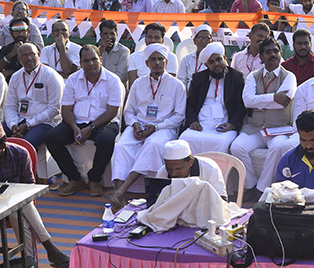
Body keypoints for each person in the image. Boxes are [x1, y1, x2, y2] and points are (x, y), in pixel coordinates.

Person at [0, 121, 70, 268]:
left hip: (16, 205)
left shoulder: (20, 154)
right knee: (21, 210)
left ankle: (30, 265)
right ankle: (49, 249)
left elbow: (28, 189)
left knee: (18, 213)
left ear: (3, 145)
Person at [110, 44, 187, 209]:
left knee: (153, 145)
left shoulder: (177, 85)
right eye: (153, 59)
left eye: (160, 59)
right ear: (147, 63)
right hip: (139, 126)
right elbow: (128, 111)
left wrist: (156, 127)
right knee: (121, 146)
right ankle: (119, 194)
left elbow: (179, 116)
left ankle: (121, 191)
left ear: (166, 62)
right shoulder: (138, 83)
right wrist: (135, 124)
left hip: (164, 128)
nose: (157, 63)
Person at [45, 45, 125, 197]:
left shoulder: (113, 80)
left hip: (103, 122)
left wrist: (92, 128)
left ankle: (94, 178)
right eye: (86, 61)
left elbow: (112, 111)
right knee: (51, 137)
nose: (91, 64)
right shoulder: (73, 79)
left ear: (100, 60)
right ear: (80, 63)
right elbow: (66, 110)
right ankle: (75, 178)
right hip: (77, 122)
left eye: (94, 59)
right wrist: (74, 127)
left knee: (105, 140)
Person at [230, 36, 297, 201]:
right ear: (261, 56)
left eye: (275, 51)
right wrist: (274, 97)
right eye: (268, 52)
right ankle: (250, 184)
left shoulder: (289, 77)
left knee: (278, 148)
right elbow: (247, 101)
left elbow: (283, 102)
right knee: (237, 147)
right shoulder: (253, 76)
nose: (272, 54)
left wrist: (259, 102)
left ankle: (262, 188)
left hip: (279, 128)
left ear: (281, 53)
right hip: (254, 127)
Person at [180, 42, 246, 154]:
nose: (216, 64)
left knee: (221, 142)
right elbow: (190, 104)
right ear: (206, 65)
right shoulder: (198, 78)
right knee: (185, 139)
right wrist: (192, 121)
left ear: (224, 58)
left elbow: (241, 106)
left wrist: (232, 124)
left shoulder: (236, 77)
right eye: (211, 62)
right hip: (202, 123)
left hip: (224, 124)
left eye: (219, 59)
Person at [3, 43, 64, 148]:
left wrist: (28, 124)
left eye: (32, 54)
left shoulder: (51, 76)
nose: (29, 58)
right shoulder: (16, 77)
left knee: (25, 145)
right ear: (19, 59)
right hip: (20, 120)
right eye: (24, 55)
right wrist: (13, 125)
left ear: (39, 55)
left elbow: (54, 109)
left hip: (44, 122)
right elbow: (10, 106)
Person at [155, 140, 227, 199]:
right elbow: (157, 198)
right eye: (169, 169)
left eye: (178, 169)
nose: (173, 173)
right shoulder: (162, 172)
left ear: (190, 162)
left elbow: (221, 199)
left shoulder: (210, 169)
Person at [0, 17, 32, 82]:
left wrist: (11, 72)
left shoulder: (35, 48)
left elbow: (36, 70)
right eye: (16, 31)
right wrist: (12, 54)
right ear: (11, 32)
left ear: (28, 31)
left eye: (23, 31)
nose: (20, 34)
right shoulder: (6, 49)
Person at [98, 19, 130, 84]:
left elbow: (122, 76)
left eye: (112, 34)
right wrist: (100, 52)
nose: (109, 37)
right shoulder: (97, 51)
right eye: (105, 34)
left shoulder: (124, 51)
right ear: (101, 35)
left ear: (116, 35)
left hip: (116, 86)